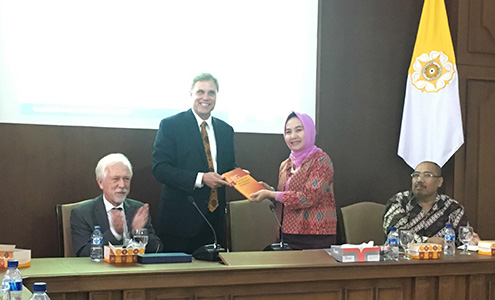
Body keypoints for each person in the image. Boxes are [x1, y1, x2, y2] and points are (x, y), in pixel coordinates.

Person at [152, 73, 236, 254]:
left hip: (214, 222)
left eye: (211, 93)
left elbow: (227, 168)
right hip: (179, 223)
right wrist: (201, 178)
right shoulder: (171, 125)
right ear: (191, 94)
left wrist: (239, 176)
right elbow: (160, 169)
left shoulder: (226, 130)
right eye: (200, 92)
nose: (206, 98)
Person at [249, 112, 337, 250]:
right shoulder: (285, 164)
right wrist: (268, 190)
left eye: (299, 130)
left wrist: (271, 194)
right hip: (286, 235)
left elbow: (308, 197)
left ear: (309, 131)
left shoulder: (321, 161)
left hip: (315, 237)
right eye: (288, 132)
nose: (293, 136)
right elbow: (285, 197)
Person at [71, 153, 163, 256]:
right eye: (115, 179)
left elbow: (156, 249)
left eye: (126, 179)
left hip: (134, 270)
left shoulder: (138, 210)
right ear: (100, 183)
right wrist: (114, 233)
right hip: (101, 271)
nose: (122, 185)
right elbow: (83, 254)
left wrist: (138, 232)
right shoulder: (83, 213)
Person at [383, 161, 479, 245]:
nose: (420, 180)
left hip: (440, 263)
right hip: (403, 262)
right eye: (416, 175)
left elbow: (463, 239)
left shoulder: (452, 208)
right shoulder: (399, 201)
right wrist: (426, 242)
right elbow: (395, 235)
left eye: (427, 175)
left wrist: (471, 241)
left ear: (439, 182)